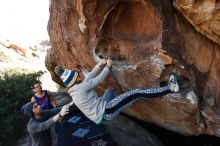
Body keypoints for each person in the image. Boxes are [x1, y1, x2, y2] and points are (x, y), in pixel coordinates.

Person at [54, 59, 179, 124]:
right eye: (78, 76)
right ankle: (171, 88)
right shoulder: (80, 88)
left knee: (109, 91)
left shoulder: (75, 89)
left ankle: (126, 100)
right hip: (106, 111)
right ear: (75, 80)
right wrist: (108, 66)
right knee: (137, 92)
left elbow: (90, 78)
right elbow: (98, 79)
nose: (80, 75)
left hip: (103, 107)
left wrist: (99, 65)